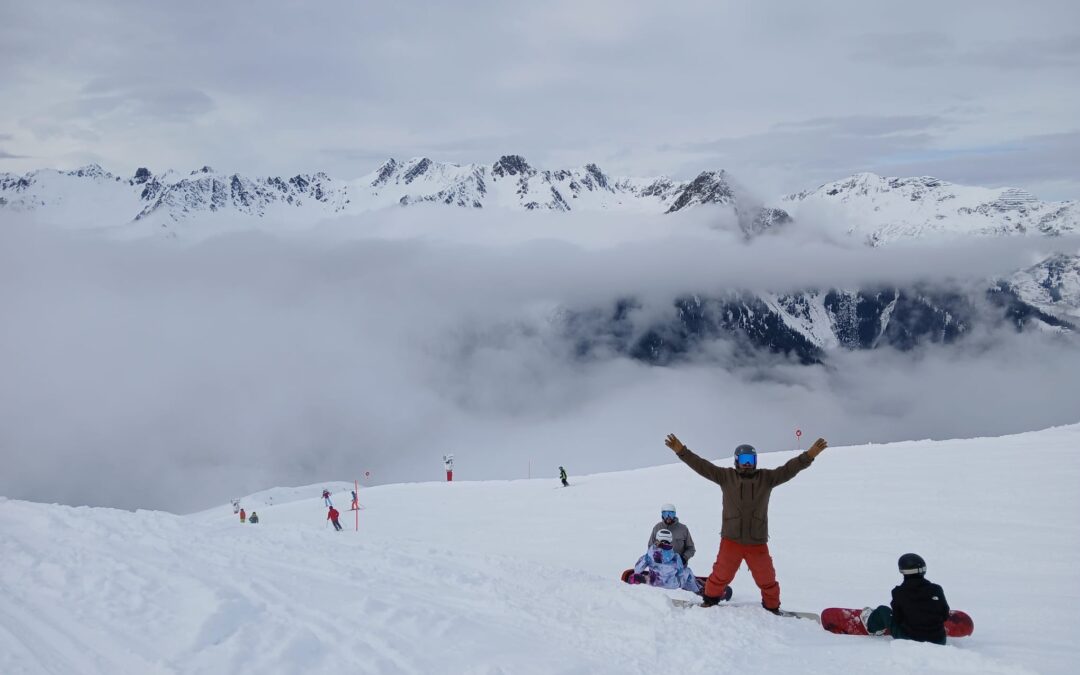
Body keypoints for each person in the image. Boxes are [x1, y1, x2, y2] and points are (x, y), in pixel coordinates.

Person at [664, 433, 828, 612]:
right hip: (731, 540)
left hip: (756, 542)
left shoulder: (767, 478)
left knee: (767, 578)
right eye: (744, 459)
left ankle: (772, 607)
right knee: (721, 574)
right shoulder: (726, 476)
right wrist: (682, 451)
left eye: (751, 459)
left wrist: (809, 455)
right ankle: (710, 600)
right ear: (736, 460)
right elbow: (702, 466)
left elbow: (789, 469)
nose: (748, 463)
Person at [861, 553, 950, 644]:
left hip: (909, 639)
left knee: (882, 610)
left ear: (902, 571)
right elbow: (945, 614)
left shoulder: (899, 592)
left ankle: (871, 625)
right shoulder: (936, 589)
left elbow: (898, 618)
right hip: (939, 640)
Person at [630, 529, 701, 593]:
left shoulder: (649, 555)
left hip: (654, 583)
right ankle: (696, 592)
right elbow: (680, 573)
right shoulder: (676, 557)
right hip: (672, 586)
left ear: (657, 539)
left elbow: (637, 569)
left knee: (640, 576)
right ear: (670, 540)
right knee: (688, 571)